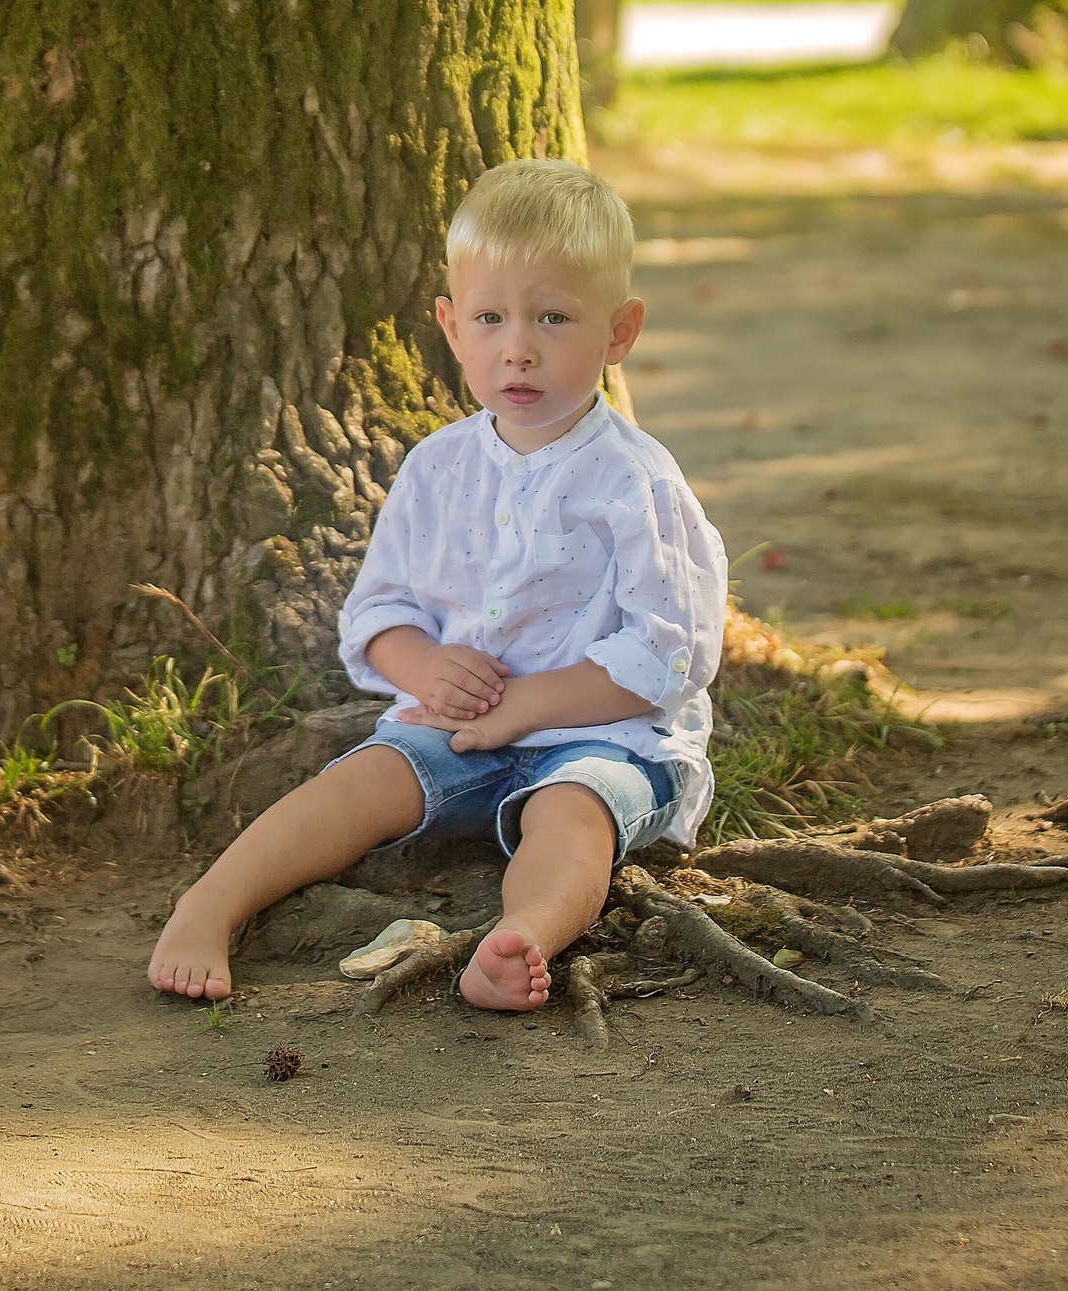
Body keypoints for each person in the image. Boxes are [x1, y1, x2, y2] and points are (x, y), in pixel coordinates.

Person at [148, 159, 726, 1008]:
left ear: (619, 331)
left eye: (554, 316)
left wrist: (521, 708)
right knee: (357, 783)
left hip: (604, 740)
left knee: (571, 816)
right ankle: (211, 902)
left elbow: (667, 655)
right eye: (490, 317)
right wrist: (421, 666)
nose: (517, 347)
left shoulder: (635, 482)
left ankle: (522, 936)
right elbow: (379, 611)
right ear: (452, 328)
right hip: (452, 730)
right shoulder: (437, 468)